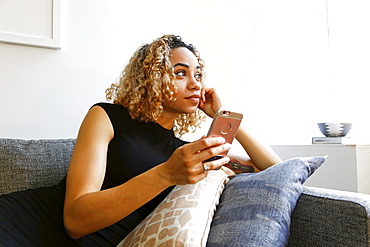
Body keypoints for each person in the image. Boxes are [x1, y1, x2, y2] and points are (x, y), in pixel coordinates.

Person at [0, 34, 282, 246]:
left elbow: (273, 171)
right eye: (181, 73)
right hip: (21, 224)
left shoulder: (187, 155)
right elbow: (75, 220)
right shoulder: (107, 117)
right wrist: (165, 174)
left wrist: (222, 114)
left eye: (198, 74)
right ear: (153, 78)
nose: (196, 84)